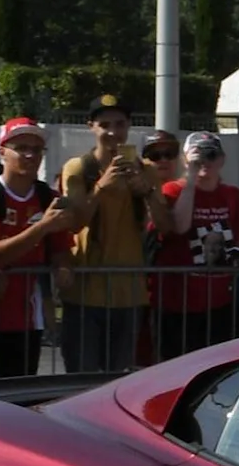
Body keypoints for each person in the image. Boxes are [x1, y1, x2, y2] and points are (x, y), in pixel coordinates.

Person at [0, 119, 78, 379]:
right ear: (2, 152)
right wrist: (41, 228)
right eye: (21, 148)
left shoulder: (49, 198)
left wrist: (63, 267)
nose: (30, 155)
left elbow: (60, 248)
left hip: (26, 317)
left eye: (37, 149)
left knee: (18, 392)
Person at [57, 93, 164, 372]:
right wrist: (101, 187)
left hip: (129, 293)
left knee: (119, 380)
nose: (113, 132)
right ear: (91, 127)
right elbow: (74, 223)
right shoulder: (78, 168)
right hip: (85, 293)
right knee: (82, 378)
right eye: (104, 125)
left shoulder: (146, 170)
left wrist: (148, 192)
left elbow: (166, 227)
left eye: (120, 124)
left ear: (129, 126)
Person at [154, 135, 239, 356]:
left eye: (211, 155)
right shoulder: (171, 191)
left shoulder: (234, 196)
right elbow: (180, 226)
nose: (205, 161)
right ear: (184, 160)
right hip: (176, 301)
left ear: (222, 159)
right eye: (198, 156)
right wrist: (190, 180)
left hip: (219, 301)